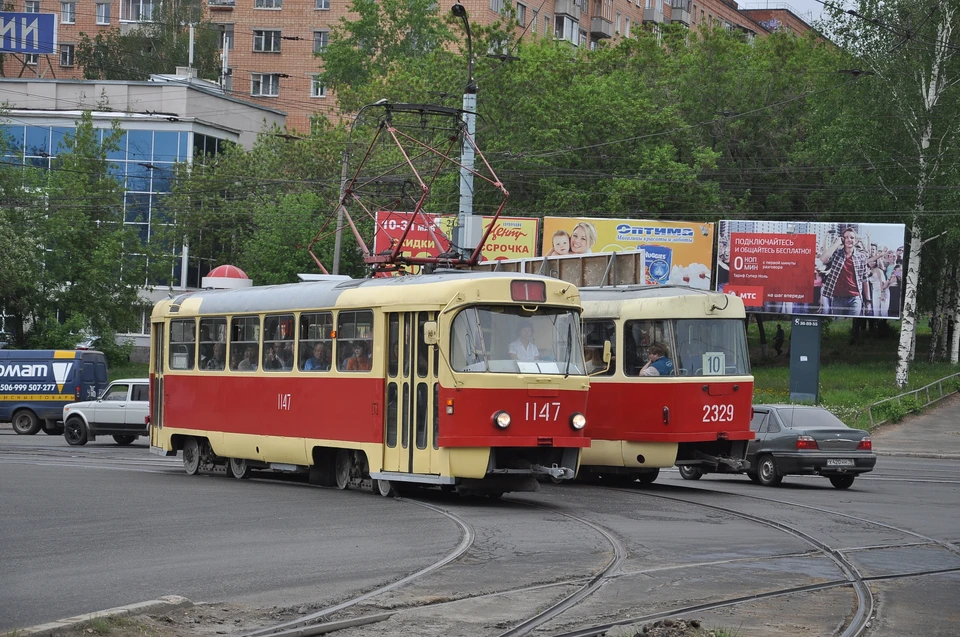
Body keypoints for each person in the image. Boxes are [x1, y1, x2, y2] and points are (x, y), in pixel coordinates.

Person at [819, 226, 870, 316]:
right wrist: (836, 244)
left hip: (855, 298)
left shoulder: (861, 257)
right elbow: (823, 259)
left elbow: (865, 280)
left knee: (854, 324)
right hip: (838, 298)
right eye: (846, 237)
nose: (849, 240)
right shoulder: (836, 254)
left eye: (852, 237)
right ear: (842, 240)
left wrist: (868, 301)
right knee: (838, 324)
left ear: (856, 240)